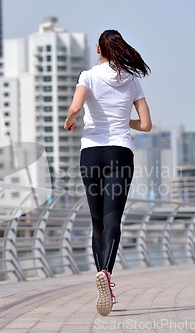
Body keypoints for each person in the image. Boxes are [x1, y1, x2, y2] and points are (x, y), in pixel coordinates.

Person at [64, 29, 152, 316]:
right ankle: (106, 273)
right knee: (114, 218)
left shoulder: (87, 75)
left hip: (90, 153)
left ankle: (101, 276)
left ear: (99, 49)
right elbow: (146, 124)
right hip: (120, 153)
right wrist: (124, 121)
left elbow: (76, 107)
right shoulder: (132, 81)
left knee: (97, 221)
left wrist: (70, 120)